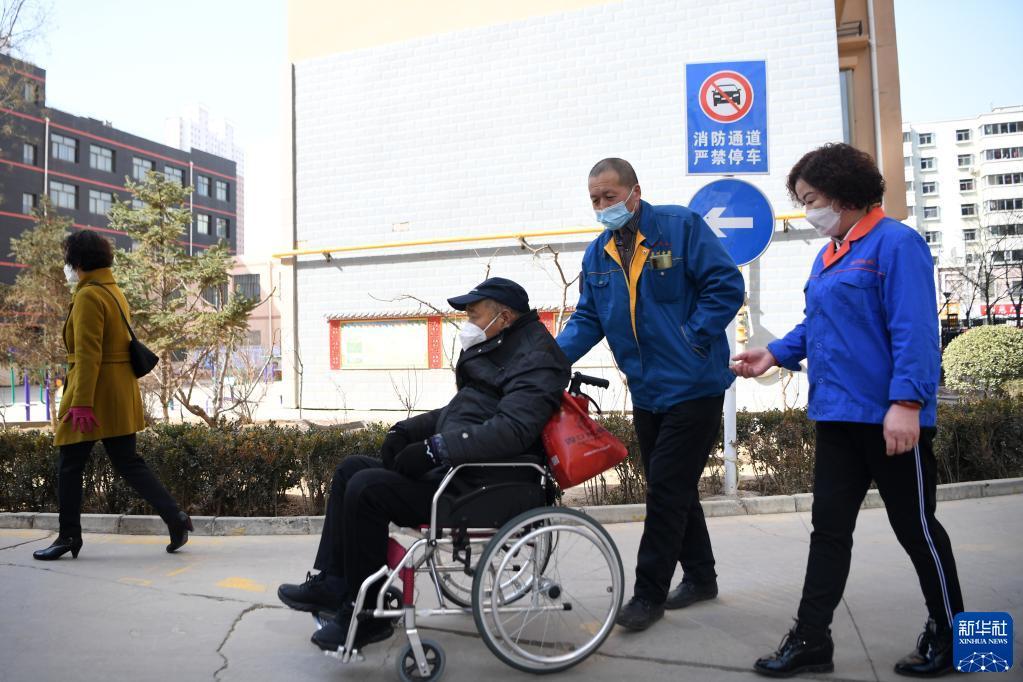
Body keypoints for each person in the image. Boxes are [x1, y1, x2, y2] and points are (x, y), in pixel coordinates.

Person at [733, 143, 964, 678]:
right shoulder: (830, 254)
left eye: (811, 199)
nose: (807, 210)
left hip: (890, 420)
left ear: (842, 194)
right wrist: (775, 352)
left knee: (917, 529)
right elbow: (817, 324)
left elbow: (915, 330)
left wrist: (906, 403)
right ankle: (812, 639)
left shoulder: (897, 243)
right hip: (837, 416)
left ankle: (955, 636)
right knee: (829, 531)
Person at [277, 277, 570, 652]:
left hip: (481, 485)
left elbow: (512, 430)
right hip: (462, 471)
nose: (468, 322)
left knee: (367, 489)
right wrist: (407, 431)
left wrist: (436, 450)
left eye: (474, 314)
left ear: (505, 316)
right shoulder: (501, 348)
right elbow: (462, 410)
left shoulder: (536, 360)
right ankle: (335, 582)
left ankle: (367, 616)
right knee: (351, 469)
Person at [558, 158, 745, 631]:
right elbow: (588, 318)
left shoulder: (679, 229)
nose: (603, 206)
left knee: (665, 490)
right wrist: (549, 360)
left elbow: (726, 286)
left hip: (694, 386)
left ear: (634, 192)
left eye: (610, 196)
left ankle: (648, 595)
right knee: (673, 486)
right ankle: (701, 578)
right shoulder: (598, 254)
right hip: (647, 391)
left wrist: (693, 337)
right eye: (595, 199)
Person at [34, 230, 193, 561]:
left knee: (69, 465)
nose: (67, 266)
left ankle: (68, 536)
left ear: (78, 261)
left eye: (68, 260)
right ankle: (175, 517)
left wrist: (80, 402)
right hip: (118, 390)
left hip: (92, 394)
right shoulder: (113, 290)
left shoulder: (88, 296)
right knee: (128, 462)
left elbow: (88, 353)